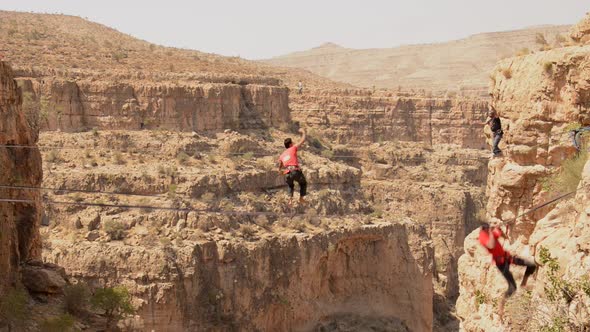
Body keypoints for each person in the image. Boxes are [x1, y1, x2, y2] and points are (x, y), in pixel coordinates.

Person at [478, 223, 537, 297]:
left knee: (531, 265)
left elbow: (504, 236)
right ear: (484, 229)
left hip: (507, 258)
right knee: (512, 288)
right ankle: (501, 304)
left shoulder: (490, 233)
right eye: (487, 228)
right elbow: (491, 245)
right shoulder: (482, 237)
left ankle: (523, 283)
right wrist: (491, 232)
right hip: (501, 263)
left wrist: (499, 228)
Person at [278, 128, 307, 206]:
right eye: (292, 142)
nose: (294, 143)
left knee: (290, 185)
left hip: (287, 173)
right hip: (295, 171)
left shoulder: (282, 155)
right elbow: (302, 141)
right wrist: (304, 132)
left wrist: (279, 170)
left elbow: (280, 164)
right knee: (303, 183)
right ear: (290, 144)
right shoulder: (293, 148)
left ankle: (290, 200)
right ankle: (301, 198)